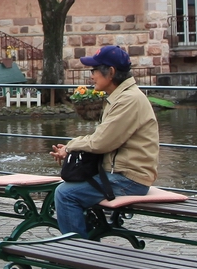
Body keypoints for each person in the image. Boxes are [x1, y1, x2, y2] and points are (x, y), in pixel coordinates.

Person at [49, 46, 160, 236]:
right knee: (66, 188)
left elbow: (101, 142)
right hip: (120, 174)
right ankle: (86, 244)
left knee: (65, 194)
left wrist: (70, 147)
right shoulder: (121, 97)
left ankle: (77, 251)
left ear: (111, 72)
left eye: (94, 70)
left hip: (129, 179)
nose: (91, 76)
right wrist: (70, 148)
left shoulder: (129, 99)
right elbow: (103, 138)